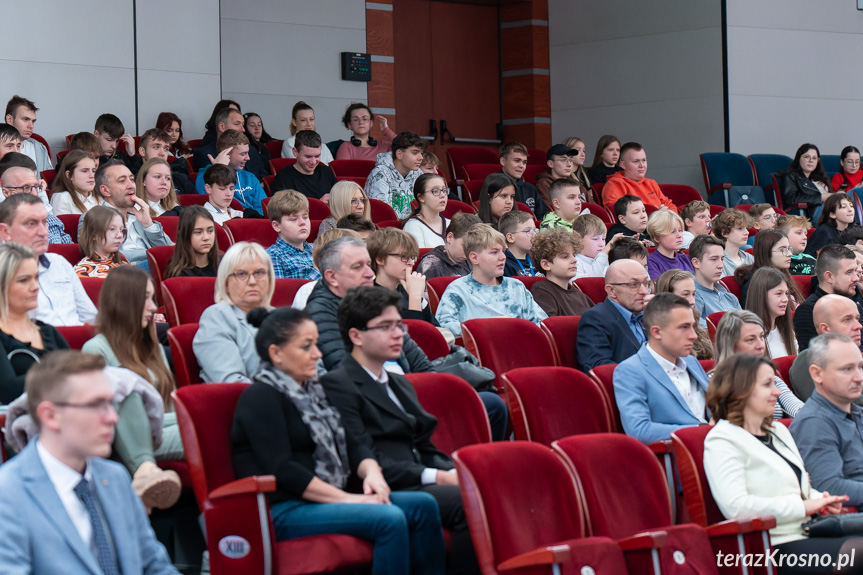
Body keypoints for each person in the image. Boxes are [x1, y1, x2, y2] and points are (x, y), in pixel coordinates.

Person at [233, 306, 445, 574]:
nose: (318, 354)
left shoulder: (315, 392)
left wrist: (372, 473)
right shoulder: (261, 396)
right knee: (388, 518)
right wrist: (347, 499)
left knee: (423, 506)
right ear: (276, 353)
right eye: (306, 347)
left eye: (317, 344)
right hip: (284, 508)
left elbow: (353, 443)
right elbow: (283, 470)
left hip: (325, 499)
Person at [320, 286, 480, 575]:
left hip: (416, 478)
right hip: (378, 485)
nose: (398, 334)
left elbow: (426, 445)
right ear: (355, 336)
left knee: (489, 488)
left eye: (399, 325)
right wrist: (441, 477)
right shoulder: (337, 384)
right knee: (470, 502)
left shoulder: (400, 383)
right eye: (385, 327)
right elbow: (359, 452)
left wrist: (458, 474)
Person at [0, 351, 180, 574]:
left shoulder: (115, 478)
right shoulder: (8, 493)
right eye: (96, 405)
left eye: (111, 403)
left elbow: (154, 565)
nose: (113, 417)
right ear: (51, 416)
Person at [704, 354, 860, 570]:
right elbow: (737, 508)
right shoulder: (722, 439)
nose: (777, 391)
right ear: (741, 389)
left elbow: (801, 485)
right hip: (771, 547)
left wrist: (821, 500)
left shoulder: (778, 430)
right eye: (767, 384)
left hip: (810, 531)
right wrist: (804, 506)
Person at [81, 266, 182, 510]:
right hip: (127, 442)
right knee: (202, 433)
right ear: (124, 302)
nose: (153, 307)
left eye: (152, 298)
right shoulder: (96, 349)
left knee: (203, 425)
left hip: (160, 431)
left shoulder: (151, 346)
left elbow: (167, 408)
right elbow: (108, 418)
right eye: (145, 298)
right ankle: (144, 474)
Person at [613, 293, 709, 443]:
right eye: (684, 327)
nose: (693, 335)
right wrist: (699, 430)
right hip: (678, 457)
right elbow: (639, 430)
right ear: (657, 332)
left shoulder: (691, 362)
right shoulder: (630, 371)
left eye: (692, 326)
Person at [790, 333, 863, 511]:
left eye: (860, 367)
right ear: (817, 374)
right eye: (847, 369)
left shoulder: (858, 412)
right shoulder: (813, 423)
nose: (859, 377)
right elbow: (830, 487)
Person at [435, 224, 547, 337]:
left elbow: (542, 324)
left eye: (503, 251)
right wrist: (490, 327)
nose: (503, 257)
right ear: (474, 258)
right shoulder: (458, 290)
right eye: (494, 252)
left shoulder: (516, 287)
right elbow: (444, 328)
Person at [0, 194, 95, 326]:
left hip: (78, 343)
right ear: (5, 232)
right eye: (31, 224)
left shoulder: (59, 263)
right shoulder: (2, 271)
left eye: (44, 222)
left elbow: (91, 318)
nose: (44, 232)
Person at [193, 242, 275, 383]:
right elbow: (231, 382)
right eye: (242, 274)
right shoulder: (217, 317)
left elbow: (314, 370)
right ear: (225, 282)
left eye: (259, 272)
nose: (252, 281)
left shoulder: (280, 316)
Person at [0, 243, 69, 404]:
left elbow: (77, 373)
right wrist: (61, 374)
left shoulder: (47, 331)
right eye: (24, 280)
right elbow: (7, 390)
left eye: (36, 277)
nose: (35, 287)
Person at [713, 310, 803, 418]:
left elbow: (797, 409)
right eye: (750, 340)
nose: (760, 345)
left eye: (762, 337)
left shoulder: (771, 377)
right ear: (731, 345)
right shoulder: (716, 381)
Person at [576, 259, 651, 371]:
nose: (644, 291)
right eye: (633, 285)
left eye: (646, 283)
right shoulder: (596, 319)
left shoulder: (650, 315)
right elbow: (599, 367)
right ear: (612, 291)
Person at [95, 160, 173, 266]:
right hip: (125, 274)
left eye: (132, 180)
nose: (131, 185)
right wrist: (152, 255)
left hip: (156, 268)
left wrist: (148, 224)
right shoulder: (94, 218)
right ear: (105, 190)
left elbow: (170, 251)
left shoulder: (140, 216)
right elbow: (100, 255)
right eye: (122, 181)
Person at [790, 292, 863, 403]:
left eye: (857, 318)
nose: (858, 326)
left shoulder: (854, 356)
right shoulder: (808, 360)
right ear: (825, 329)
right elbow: (843, 404)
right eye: (847, 320)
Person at [794, 244, 863, 351]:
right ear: (829, 277)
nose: (856, 278)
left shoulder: (854, 302)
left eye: (855, 270)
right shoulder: (808, 310)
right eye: (849, 272)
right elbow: (815, 357)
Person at [367, 228, 436, 327]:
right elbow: (410, 336)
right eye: (404, 256)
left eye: (412, 257)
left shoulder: (407, 289)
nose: (411, 263)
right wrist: (415, 298)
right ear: (380, 259)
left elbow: (434, 329)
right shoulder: (367, 298)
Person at [195, 130, 267, 216]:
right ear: (227, 154)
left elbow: (264, 209)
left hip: (253, 222)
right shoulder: (205, 175)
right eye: (243, 154)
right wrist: (219, 168)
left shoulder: (249, 177)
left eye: (247, 153)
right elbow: (208, 201)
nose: (248, 158)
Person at [1, 162, 72, 245]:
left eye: (36, 187)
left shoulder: (51, 220)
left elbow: (70, 252)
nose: (34, 193)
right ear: (6, 192)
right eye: (26, 187)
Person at [529, 227, 594, 317]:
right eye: (565, 257)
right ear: (546, 265)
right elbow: (550, 326)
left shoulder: (580, 295)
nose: (574, 260)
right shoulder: (541, 292)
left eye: (574, 255)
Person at [601, 142, 678, 213]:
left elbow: (670, 205)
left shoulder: (651, 183)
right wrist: (657, 214)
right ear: (623, 165)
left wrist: (668, 213)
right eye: (636, 161)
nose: (642, 165)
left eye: (644, 160)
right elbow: (617, 214)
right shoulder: (614, 185)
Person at [655, 270, 714, 360]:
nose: (692, 301)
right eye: (685, 295)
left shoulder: (699, 329)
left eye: (693, 294)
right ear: (667, 296)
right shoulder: (660, 336)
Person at [735, 229, 803, 307]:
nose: (790, 254)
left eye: (789, 249)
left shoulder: (784, 275)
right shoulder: (755, 284)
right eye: (782, 250)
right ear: (766, 252)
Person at [365, 132, 425, 219]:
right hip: (386, 230)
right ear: (399, 154)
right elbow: (382, 214)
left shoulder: (418, 174)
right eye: (415, 153)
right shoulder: (379, 174)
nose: (421, 158)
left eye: (421, 153)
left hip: (413, 226)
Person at [266, 190, 320, 280]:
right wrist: (317, 270)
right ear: (276, 226)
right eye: (293, 219)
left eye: (305, 217)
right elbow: (281, 292)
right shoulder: (272, 256)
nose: (302, 222)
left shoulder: (318, 249)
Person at [272, 130, 338, 203]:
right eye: (308, 156)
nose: (313, 161)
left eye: (317, 156)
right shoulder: (283, 178)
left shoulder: (326, 171)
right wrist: (319, 204)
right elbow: (283, 210)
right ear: (295, 152)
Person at [689, 235, 741, 326]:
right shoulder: (692, 297)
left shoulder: (730, 297)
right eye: (714, 259)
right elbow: (700, 331)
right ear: (696, 262)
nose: (721, 265)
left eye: (722, 259)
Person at [746, 267, 797, 358]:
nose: (785, 299)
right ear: (761, 295)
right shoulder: (749, 336)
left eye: (786, 293)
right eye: (779, 293)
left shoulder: (788, 332)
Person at [417, 212, 479, 279]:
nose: (469, 252)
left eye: (474, 247)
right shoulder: (432, 265)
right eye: (465, 246)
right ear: (450, 237)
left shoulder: (473, 261)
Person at [164, 205, 221, 278]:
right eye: (198, 232)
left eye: (210, 231)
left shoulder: (225, 263)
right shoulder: (179, 274)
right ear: (185, 234)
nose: (206, 237)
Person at [74, 206, 128, 278]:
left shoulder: (125, 265)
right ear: (93, 234)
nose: (120, 235)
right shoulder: (83, 271)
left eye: (121, 230)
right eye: (112, 229)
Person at [497, 142, 547, 218]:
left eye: (524, 162)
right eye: (517, 161)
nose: (521, 166)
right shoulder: (493, 185)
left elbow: (543, 216)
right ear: (503, 161)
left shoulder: (530, 189)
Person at [780, 143, 832, 217]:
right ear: (799, 158)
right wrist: (821, 197)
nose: (811, 160)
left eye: (814, 158)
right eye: (807, 157)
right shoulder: (791, 175)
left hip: (831, 210)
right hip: (814, 215)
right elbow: (791, 199)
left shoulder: (820, 178)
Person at [4, 95, 51, 175]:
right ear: (10, 119)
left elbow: (49, 181)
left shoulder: (40, 148)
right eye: (25, 119)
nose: (31, 126)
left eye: (33, 121)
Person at [402, 173, 449, 248]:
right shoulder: (413, 226)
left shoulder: (451, 224)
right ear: (421, 197)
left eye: (444, 190)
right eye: (435, 191)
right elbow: (418, 258)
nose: (443, 195)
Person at [646, 210, 694, 280]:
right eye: (672, 232)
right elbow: (660, 288)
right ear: (656, 237)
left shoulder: (686, 259)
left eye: (680, 230)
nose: (679, 235)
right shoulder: (651, 262)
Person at [49, 150, 100, 215]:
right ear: (69, 175)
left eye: (93, 171)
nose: (92, 175)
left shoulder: (99, 196)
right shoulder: (62, 197)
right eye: (84, 171)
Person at [573, 213, 617, 279]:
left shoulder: (605, 259)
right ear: (578, 239)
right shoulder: (574, 263)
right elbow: (591, 284)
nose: (602, 244)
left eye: (603, 239)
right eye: (595, 239)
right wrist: (603, 255)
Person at [712, 208, 753, 277]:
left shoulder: (750, 258)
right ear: (725, 233)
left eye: (746, 228)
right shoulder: (717, 261)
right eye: (740, 228)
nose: (747, 232)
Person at [499, 211, 540, 277]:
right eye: (527, 231)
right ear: (510, 237)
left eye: (535, 230)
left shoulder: (537, 260)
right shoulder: (503, 264)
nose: (534, 235)